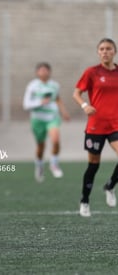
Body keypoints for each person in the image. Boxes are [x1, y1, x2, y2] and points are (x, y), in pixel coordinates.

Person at [73, 38, 118, 217]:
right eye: (102, 49)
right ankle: (85, 200)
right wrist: (85, 106)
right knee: (93, 165)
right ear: (98, 52)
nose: (105, 51)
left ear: (114, 51)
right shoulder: (91, 72)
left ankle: (110, 186)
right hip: (96, 126)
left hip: (115, 124)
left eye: (108, 48)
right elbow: (76, 93)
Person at [23, 62, 70, 182]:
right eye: (41, 70)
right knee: (40, 146)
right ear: (37, 72)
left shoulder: (54, 85)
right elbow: (26, 104)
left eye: (46, 70)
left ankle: (54, 164)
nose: (44, 72)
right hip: (38, 119)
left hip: (52, 117)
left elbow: (57, 99)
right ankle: (39, 166)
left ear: (49, 72)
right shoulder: (32, 86)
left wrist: (64, 112)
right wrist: (40, 102)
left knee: (55, 140)